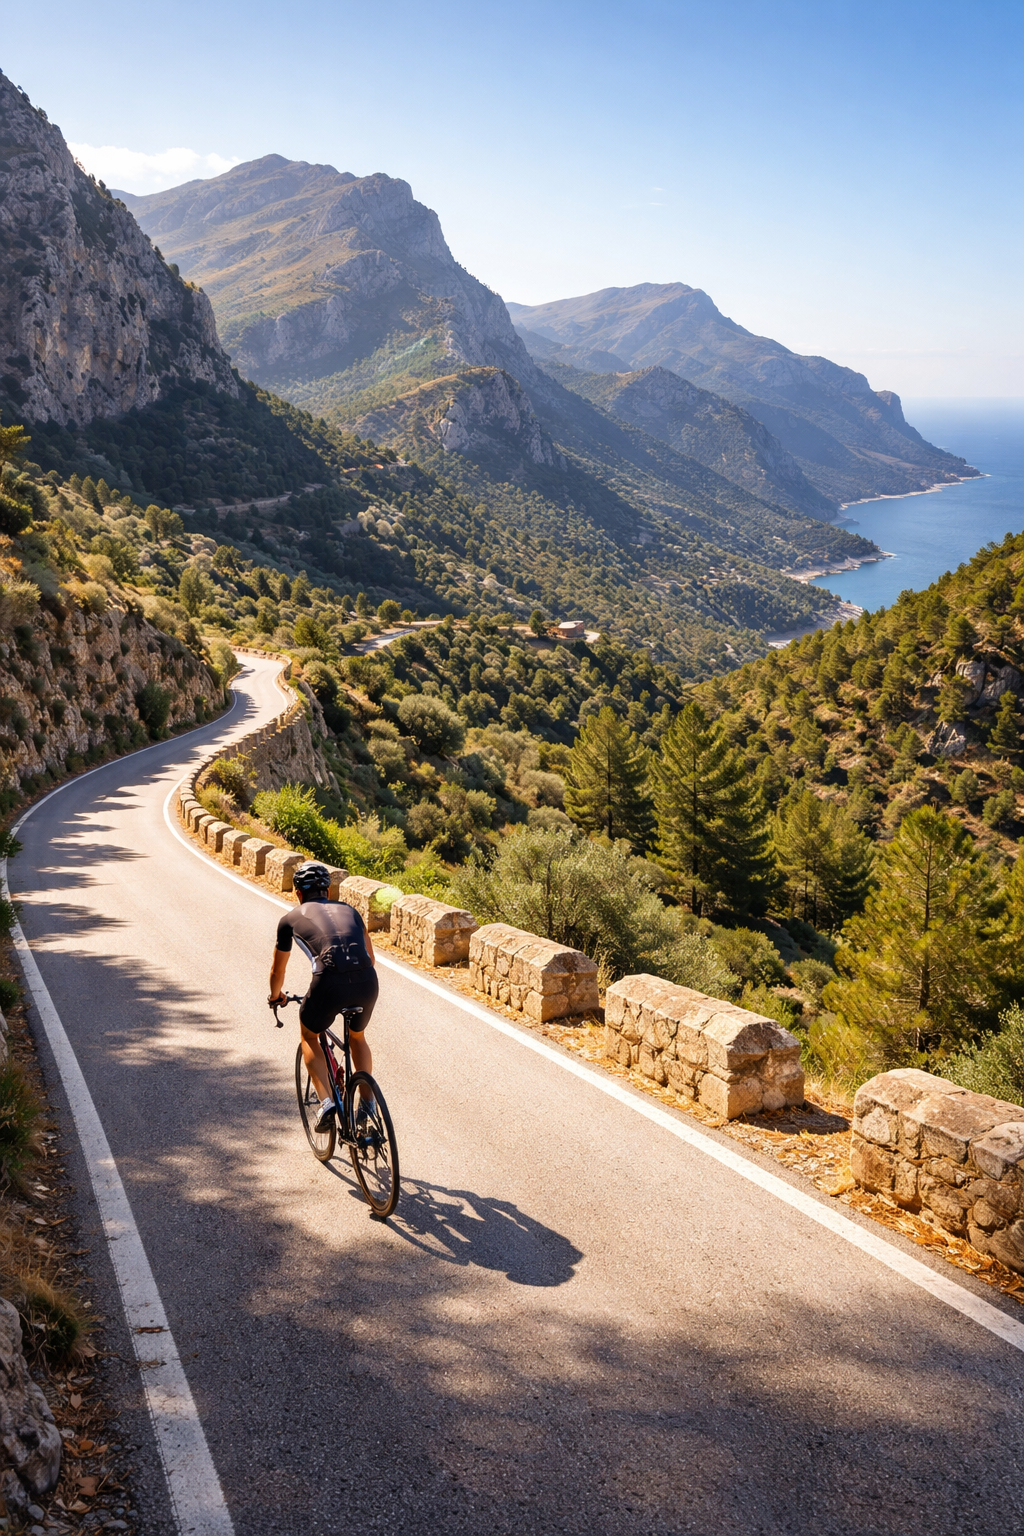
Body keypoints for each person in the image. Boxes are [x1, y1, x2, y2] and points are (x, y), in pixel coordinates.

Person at [267, 860, 379, 1133]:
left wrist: (275, 996)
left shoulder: (290, 919)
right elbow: (371, 959)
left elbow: (277, 970)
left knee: (308, 1035)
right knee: (357, 1037)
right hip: (367, 981)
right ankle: (368, 1105)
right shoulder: (352, 911)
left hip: (328, 983)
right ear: (328, 892)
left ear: (298, 893)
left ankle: (327, 1102)